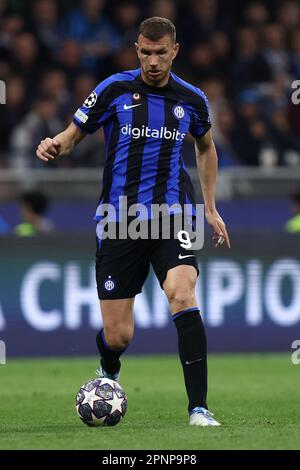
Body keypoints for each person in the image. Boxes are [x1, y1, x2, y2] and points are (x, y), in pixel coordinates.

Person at [36, 17, 230, 427]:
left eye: (161, 53)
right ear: (136, 49)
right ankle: (108, 367)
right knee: (119, 335)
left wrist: (210, 209)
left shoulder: (192, 99)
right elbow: (73, 133)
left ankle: (199, 408)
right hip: (119, 220)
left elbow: (206, 148)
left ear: (174, 51)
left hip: (172, 213)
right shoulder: (113, 89)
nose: (153, 61)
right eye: (145, 52)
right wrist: (56, 144)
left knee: (182, 292)